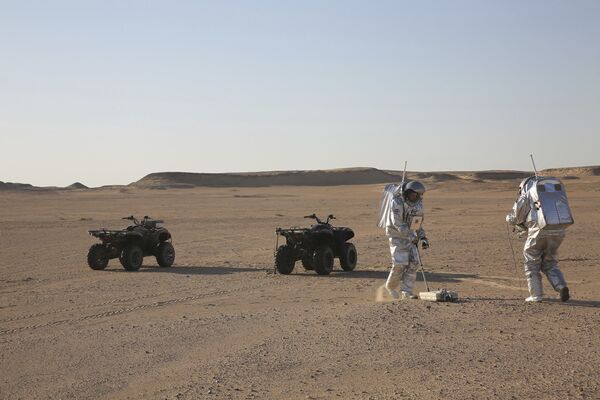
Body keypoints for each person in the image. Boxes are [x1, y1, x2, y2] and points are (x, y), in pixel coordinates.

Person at [506, 176, 571, 302]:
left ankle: (536, 295)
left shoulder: (527, 196)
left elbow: (517, 217)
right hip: (559, 232)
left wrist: (508, 218)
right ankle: (561, 286)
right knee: (549, 263)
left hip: (538, 232)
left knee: (531, 262)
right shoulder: (549, 197)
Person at [384, 180, 429, 299]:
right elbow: (397, 223)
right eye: (416, 195)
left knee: (414, 261)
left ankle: (406, 291)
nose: (418, 197)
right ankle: (391, 287)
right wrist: (411, 236)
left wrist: (422, 237)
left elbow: (417, 223)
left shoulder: (418, 205)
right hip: (395, 234)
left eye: (419, 195)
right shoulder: (397, 202)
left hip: (410, 235)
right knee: (400, 263)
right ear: (409, 192)